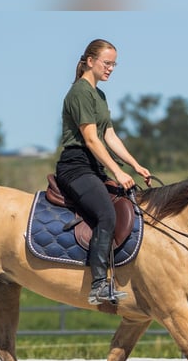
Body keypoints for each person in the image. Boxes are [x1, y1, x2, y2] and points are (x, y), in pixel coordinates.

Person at [55, 38, 152, 305]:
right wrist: (116, 173)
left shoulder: (99, 95)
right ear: (90, 61)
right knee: (106, 215)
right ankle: (98, 285)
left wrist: (134, 164)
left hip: (94, 166)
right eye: (106, 63)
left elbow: (109, 135)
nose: (110, 68)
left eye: (113, 64)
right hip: (76, 167)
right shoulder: (79, 93)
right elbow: (91, 139)